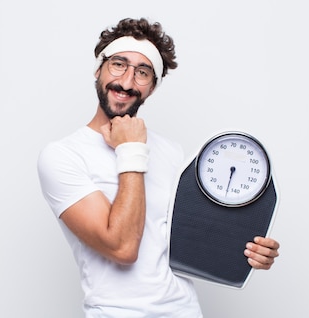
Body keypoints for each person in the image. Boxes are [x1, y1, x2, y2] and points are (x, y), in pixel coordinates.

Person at [37, 17, 280, 317]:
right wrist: (132, 149)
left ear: (152, 87)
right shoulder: (62, 156)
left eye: (143, 73)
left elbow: (185, 240)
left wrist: (248, 250)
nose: (126, 82)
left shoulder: (172, 153)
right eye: (118, 64)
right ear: (98, 69)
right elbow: (122, 248)